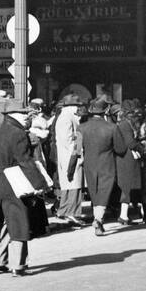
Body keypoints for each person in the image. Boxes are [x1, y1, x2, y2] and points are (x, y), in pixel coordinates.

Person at [0, 99, 51, 277]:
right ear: (12, 115)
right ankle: (19, 265)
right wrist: (40, 184)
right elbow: (26, 162)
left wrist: (0, 172)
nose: (26, 117)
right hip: (16, 182)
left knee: (3, 221)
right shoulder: (18, 134)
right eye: (23, 114)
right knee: (19, 222)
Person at [80, 96, 127, 235]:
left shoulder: (81, 127)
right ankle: (98, 219)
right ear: (105, 111)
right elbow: (121, 149)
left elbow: (77, 148)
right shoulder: (112, 128)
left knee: (94, 192)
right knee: (104, 192)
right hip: (107, 164)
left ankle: (98, 218)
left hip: (89, 164)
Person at [51, 93, 85, 226]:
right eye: (77, 105)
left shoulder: (65, 116)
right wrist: (78, 151)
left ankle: (64, 210)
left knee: (68, 184)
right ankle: (72, 213)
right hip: (70, 155)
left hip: (67, 155)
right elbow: (68, 139)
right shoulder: (67, 117)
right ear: (71, 106)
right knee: (74, 184)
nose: (78, 108)